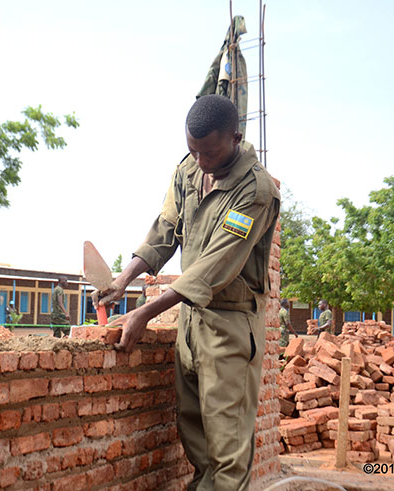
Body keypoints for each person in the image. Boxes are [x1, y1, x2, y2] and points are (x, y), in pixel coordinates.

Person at [95, 95, 280, 490]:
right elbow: (165, 228)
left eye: (209, 152)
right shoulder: (189, 170)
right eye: (193, 150)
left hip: (229, 327)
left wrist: (144, 312)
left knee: (227, 453)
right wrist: (125, 277)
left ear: (235, 138)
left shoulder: (255, 190)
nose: (200, 161)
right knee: (195, 436)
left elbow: (215, 265)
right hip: (191, 321)